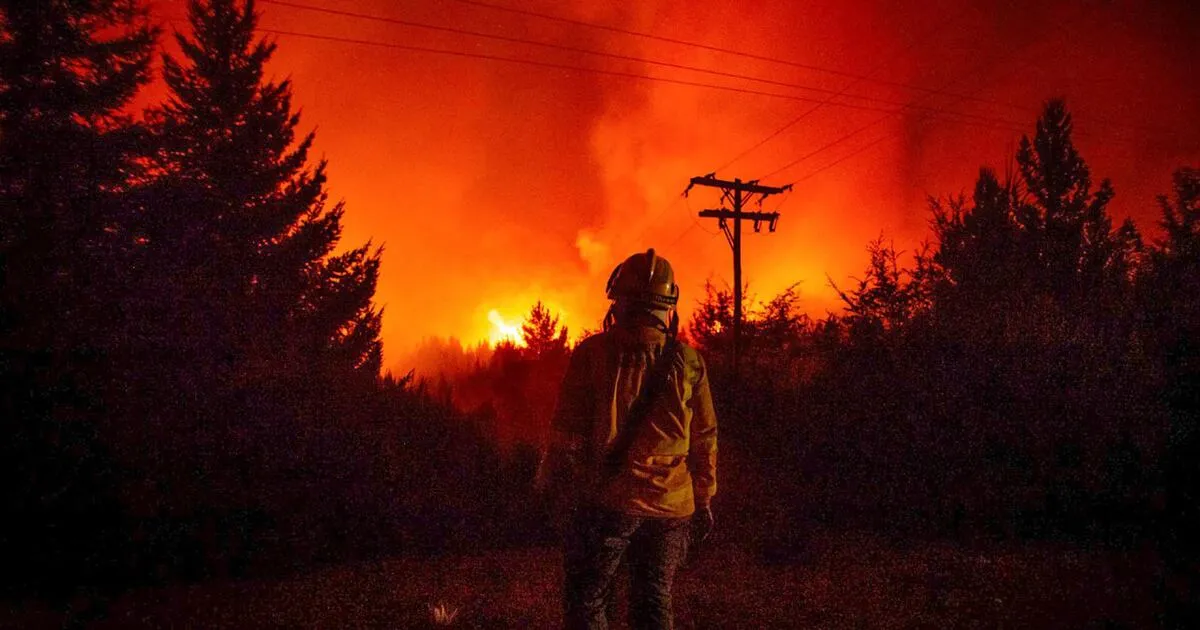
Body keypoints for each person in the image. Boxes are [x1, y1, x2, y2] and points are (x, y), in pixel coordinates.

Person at [542, 248, 718, 630]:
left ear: (618, 300)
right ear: (669, 305)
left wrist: (553, 487)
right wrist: (703, 498)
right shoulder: (689, 362)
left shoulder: (592, 355)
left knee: (588, 598)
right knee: (653, 600)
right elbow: (705, 437)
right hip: (673, 507)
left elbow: (566, 433)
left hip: (609, 502)